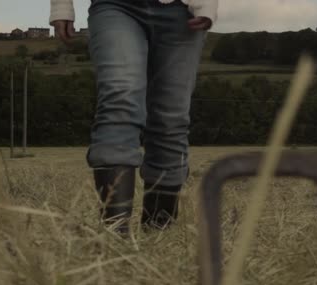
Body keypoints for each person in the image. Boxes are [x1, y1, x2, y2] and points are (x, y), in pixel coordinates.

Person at [49, 0, 218, 233]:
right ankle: (115, 238)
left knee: (171, 118)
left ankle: (158, 237)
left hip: (183, 12)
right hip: (115, 6)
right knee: (120, 98)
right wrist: (61, 6)